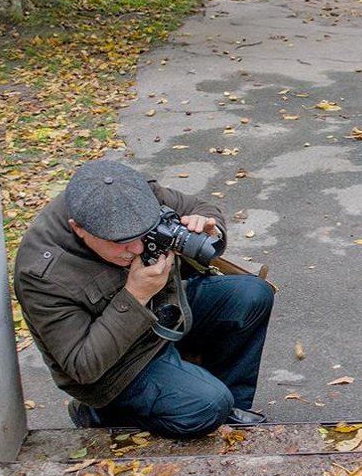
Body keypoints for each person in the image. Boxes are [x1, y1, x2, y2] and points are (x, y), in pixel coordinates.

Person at [14, 159, 274, 438]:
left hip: (165, 313)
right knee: (207, 406)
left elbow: (201, 209)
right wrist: (136, 295)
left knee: (252, 295)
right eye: (121, 242)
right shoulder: (41, 274)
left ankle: (230, 412)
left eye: (141, 235)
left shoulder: (133, 193)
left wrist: (208, 228)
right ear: (78, 228)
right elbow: (83, 365)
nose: (135, 248)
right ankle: (100, 414)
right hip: (116, 369)